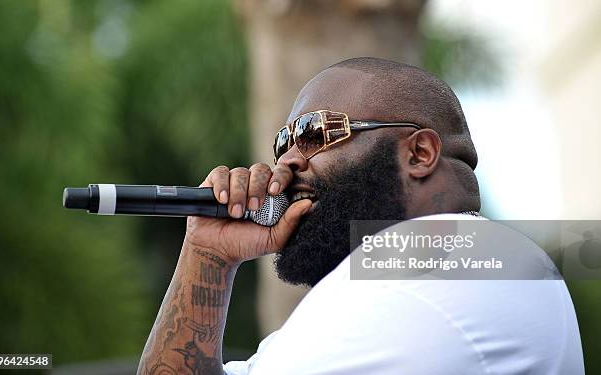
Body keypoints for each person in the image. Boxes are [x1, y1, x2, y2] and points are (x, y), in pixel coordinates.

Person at [136, 58, 584, 374]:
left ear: (420, 153)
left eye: (314, 133)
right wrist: (208, 252)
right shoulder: (392, 279)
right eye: (282, 144)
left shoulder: (455, 260)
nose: (286, 163)